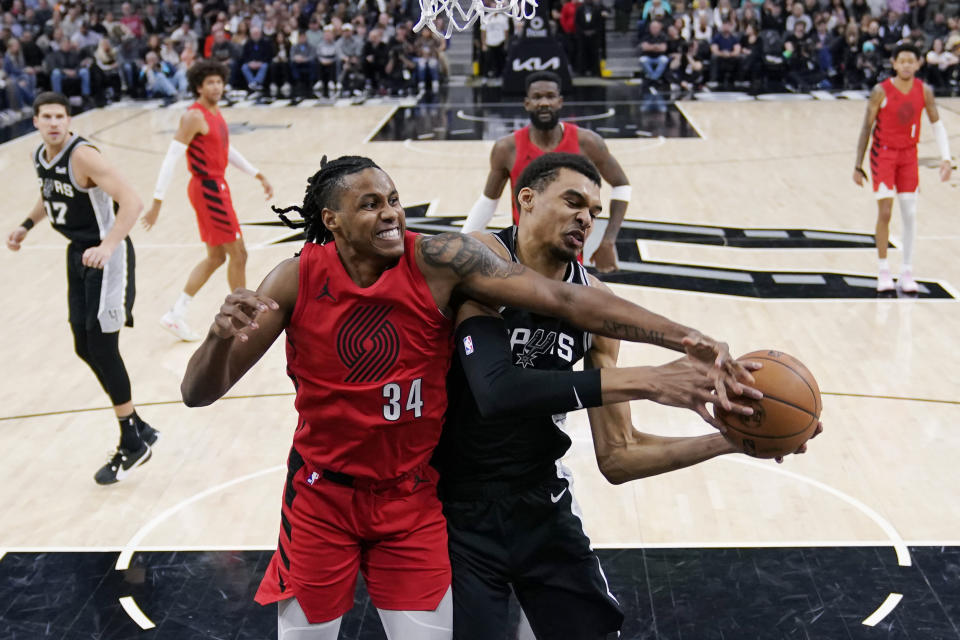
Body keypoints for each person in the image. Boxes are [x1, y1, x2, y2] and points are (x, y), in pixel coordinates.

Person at [179, 155, 757, 638]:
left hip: (417, 501)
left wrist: (687, 338)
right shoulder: (297, 277)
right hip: (332, 496)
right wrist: (214, 338)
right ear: (331, 219)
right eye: (371, 203)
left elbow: (571, 304)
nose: (390, 213)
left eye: (394, 199)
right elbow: (198, 393)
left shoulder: (438, 261)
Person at [437, 152, 822, 639]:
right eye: (574, 201)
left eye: (595, 212)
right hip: (450, 506)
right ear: (526, 200)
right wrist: (654, 377)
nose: (585, 218)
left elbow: (619, 456)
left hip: (539, 501)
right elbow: (499, 391)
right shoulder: (478, 256)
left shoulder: (596, 302)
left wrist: (736, 438)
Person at [5, 92, 158, 485]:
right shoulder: (41, 156)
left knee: (103, 346)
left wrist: (107, 246)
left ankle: (132, 441)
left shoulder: (84, 155)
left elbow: (132, 201)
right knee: (83, 344)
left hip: (107, 255)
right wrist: (26, 224)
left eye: (61, 116)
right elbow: (51, 193)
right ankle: (137, 425)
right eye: (47, 116)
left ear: (69, 120)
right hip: (79, 254)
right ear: (35, 121)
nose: (54, 122)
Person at [143, 60, 274, 341]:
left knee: (216, 257)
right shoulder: (193, 117)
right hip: (208, 188)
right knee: (239, 254)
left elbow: (225, 149)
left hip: (216, 185)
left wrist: (257, 174)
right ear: (199, 87)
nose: (216, 87)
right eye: (210, 83)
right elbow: (170, 159)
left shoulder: (214, 112)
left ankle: (176, 313)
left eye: (219, 81)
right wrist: (157, 201)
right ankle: (239, 317)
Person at [462, 71, 631, 273]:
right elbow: (488, 202)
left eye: (550, 96)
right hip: (523, 257)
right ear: (527, 103)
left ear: (560, 102)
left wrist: (608, 241)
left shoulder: (588, 143)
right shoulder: (507, 149)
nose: (544, 102)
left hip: (569, 257)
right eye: (537, 97)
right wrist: (463, 244)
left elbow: (621, 184)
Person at [853, 42, 951, 293]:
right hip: (883, 155)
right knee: (885, 212)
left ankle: (907, 271)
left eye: (911, 60)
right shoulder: (880, 91)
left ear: (918, 64)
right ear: (894, 64)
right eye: (902, 60)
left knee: (910, 214)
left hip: (909, 156)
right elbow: (866, 127)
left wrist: (946, 158)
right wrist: (858, 164)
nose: (907, 64)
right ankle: (883, 269)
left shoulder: (924, 91)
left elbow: (936, 124)